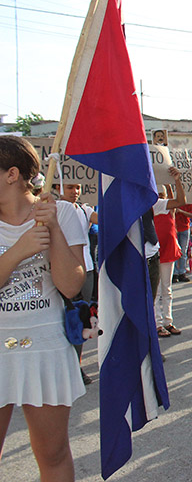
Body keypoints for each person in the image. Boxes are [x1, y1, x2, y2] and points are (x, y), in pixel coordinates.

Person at [0, 136, 87, 480]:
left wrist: (53, 227)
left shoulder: (61, 211)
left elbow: (71, 285)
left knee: (52, 453)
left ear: (12, 174)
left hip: (46, 347)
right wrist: (18, 251)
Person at [54, 182, 98, 384]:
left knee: (80, 319)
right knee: (59, 322)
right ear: (59, 187)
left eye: (78, 187)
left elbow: (105, 220)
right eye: (70, 187)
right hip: (61, 273)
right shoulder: (52, 209)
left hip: (86, 271)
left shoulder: (83, 209)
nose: (75, 191)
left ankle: (76, 366)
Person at [153, 168, 187, 337]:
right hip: (154, 252)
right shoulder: (151, 207)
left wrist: (175, 180)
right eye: (158, 194)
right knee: (157, 290)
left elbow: (179, 200)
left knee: (167, 289)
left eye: (162, 194)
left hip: (168, 251)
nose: (160, 197)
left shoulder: (168, 207)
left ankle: (168, 321)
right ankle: (158, 323)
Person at [173, 199, 192, 284]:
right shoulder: (174, 199)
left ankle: (181, 272)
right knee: (175, 251)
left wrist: (181, 211)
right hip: (174, 228)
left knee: (183, 251)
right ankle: (175, 273)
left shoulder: (190, 200)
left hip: (185, 228)